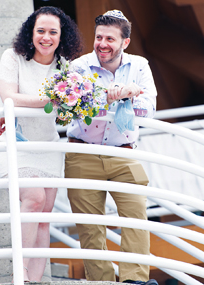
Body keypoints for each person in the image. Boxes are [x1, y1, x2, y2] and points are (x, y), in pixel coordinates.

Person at [65, 10, 158, 285]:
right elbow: (80, 107)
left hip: (124, 152)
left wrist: (126, 96)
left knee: (136, 218)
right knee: (90, 229)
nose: (102, 44)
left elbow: (149, 109)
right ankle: (102, 283)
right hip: (83, 153)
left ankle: (135, 282)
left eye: (110, 39)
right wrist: (114, 94)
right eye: (98, 37)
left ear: (125, 43)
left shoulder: (140, 65)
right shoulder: (79, 66)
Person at [0, 6, 82, 282]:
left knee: (44, 216)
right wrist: (47, 100)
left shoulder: (65, 67)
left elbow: (68, 110)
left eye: (53, 32)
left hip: (47, 145)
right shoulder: (13, 57)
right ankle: (22, 275)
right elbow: (8, 95)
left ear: (61, 36)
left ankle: (36, 280)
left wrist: (72, 103)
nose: (46, 37)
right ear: (30, 33)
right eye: (40, 30)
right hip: (13, 141)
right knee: (34, 198)